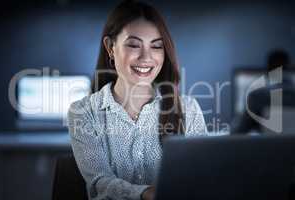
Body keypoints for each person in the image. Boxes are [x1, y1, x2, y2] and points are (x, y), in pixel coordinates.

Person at [67, 1, 217, 199]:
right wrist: (147, 194)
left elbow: (201, 176)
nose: (146, 57)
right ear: (110, 47)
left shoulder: (188, 108)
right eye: (134, 45)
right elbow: (100, 182)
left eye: (156, 46)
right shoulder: (84, 112)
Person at [231, 49, 295, 134]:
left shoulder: (258, 97)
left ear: (268, 71)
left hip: (269, 147)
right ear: (290, 68)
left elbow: (239, 132)